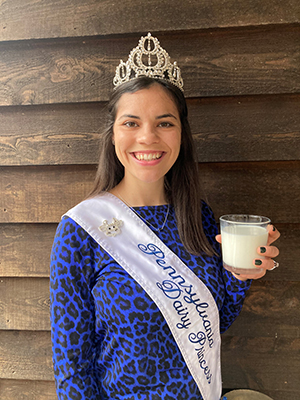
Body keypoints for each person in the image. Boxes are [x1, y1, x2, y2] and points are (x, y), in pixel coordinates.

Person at [50, 33, 280, 400]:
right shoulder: (80, 230)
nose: (147, 137)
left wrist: (239, 276)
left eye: (164, 122)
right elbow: (72, 367)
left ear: (181, 135)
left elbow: (207, 325)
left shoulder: (197, 215)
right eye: (131, 123)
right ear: (113, 135)